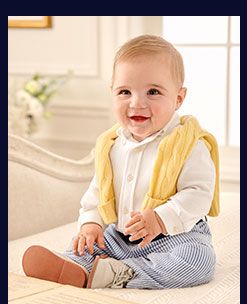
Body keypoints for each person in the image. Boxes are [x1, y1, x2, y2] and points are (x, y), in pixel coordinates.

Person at [22, 34, 220, 289]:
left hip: (175, 235)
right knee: (85, 244)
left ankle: (122, 273)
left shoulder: (190, 143)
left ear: (179, 98)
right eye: (125, 92)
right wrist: (91, 223)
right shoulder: (112, 145)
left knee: (198, 260)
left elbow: (199, 194)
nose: (137, 103)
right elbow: (97, 194)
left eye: (153, 92)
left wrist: (160, 219)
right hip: (120, 235)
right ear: (112, 93)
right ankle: (75, 266)